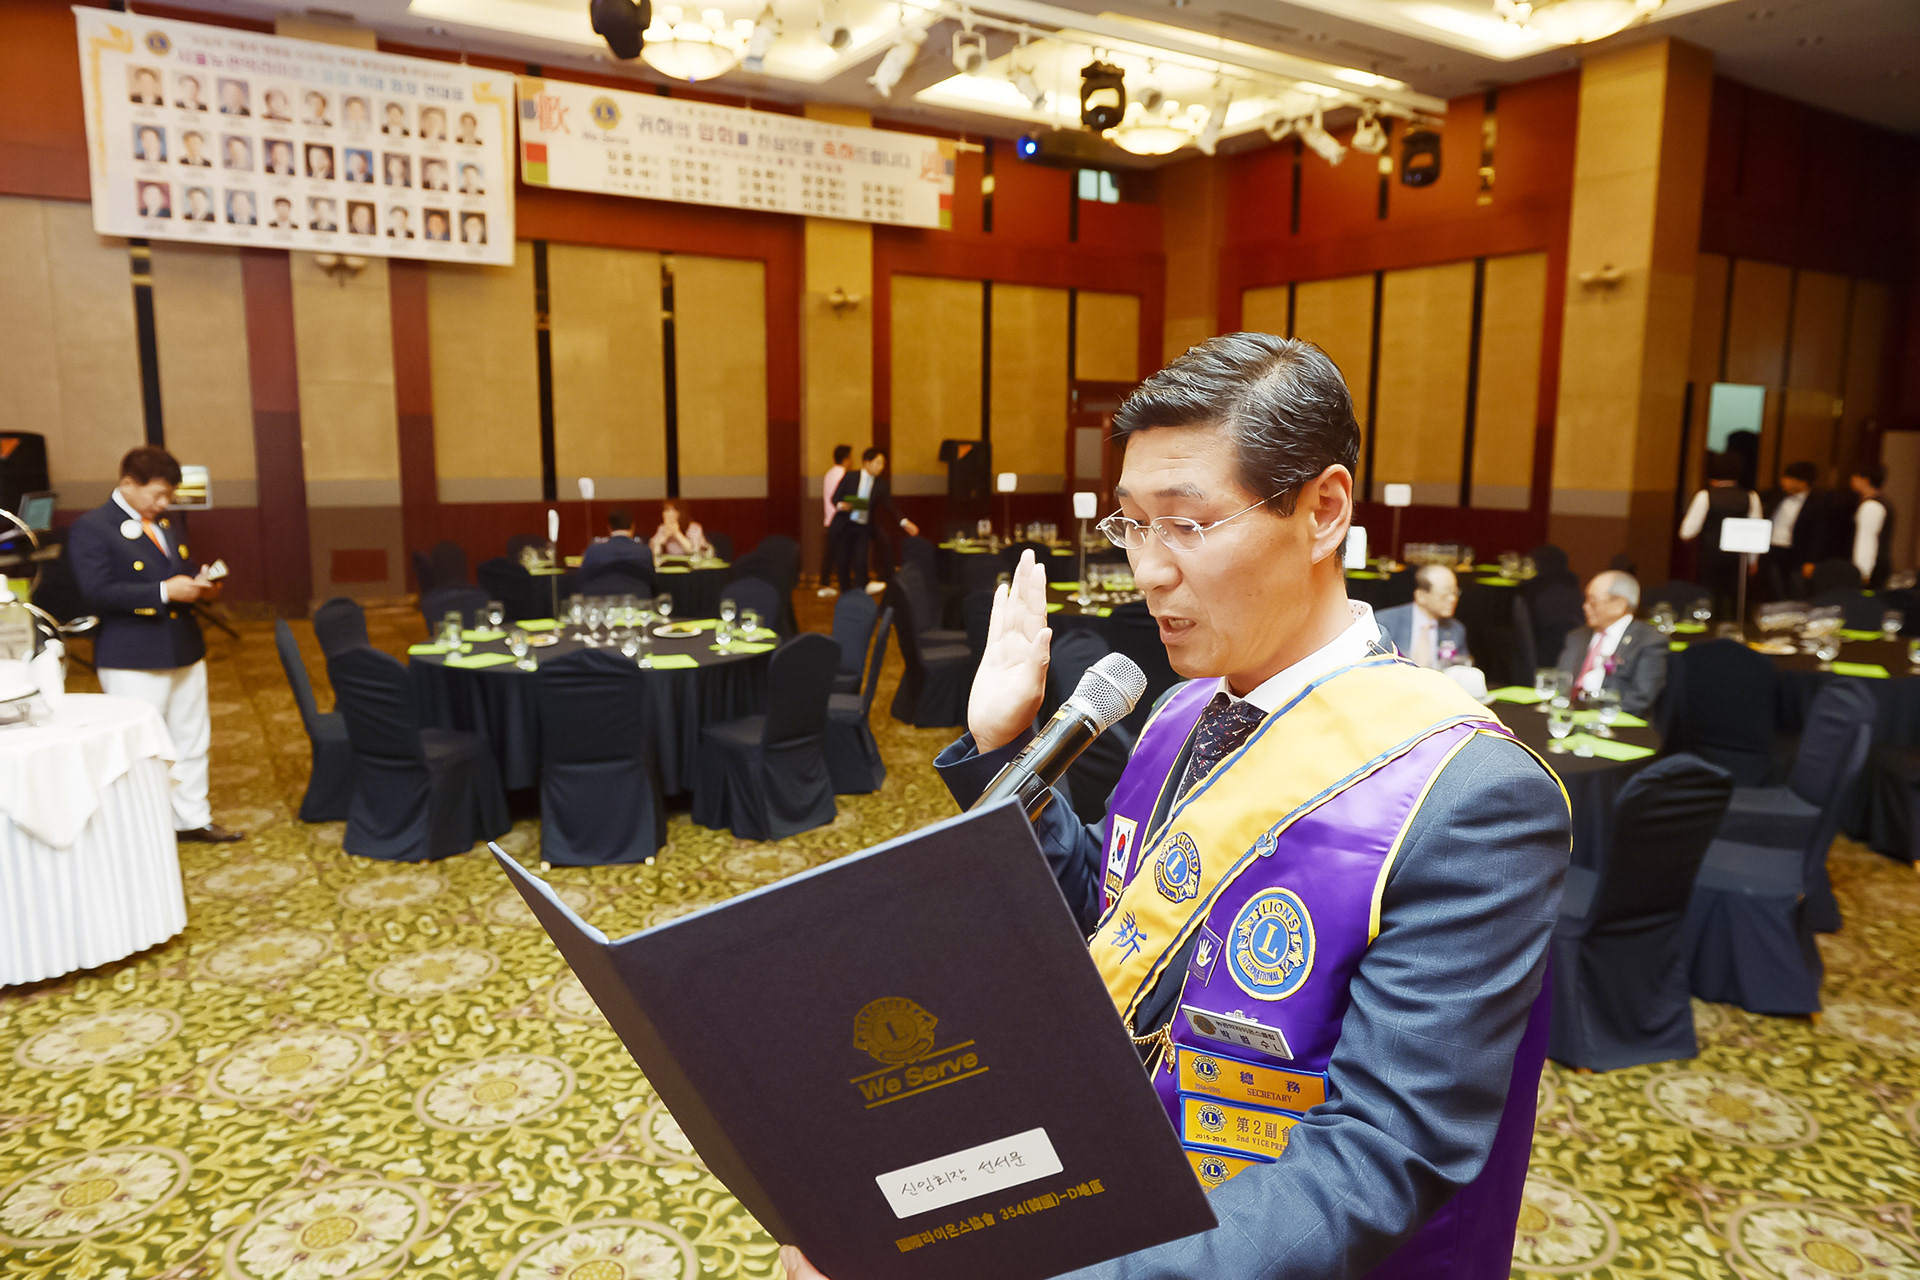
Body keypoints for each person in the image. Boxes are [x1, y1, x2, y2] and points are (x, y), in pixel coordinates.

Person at [782, 334, 1569, 1280]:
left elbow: (1373, 1161)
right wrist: (1004, 748)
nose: (1147, 569)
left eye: (1187, 524)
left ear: (1323, 511)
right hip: (1108, 1167)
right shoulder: (1181, 711)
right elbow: (1113, 921)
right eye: (1134, 525)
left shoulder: (1470, 797)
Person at [67, 446, 243, 843]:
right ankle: (146, 828)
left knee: (191, 738)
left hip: (182, 645)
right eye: (158, 494)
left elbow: (178, 569)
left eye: (169, 495)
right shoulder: (93, 527)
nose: (164, 504)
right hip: (133, 654)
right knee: (141, 747)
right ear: (128, 483)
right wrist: (164, 591)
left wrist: (200, 585)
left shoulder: (162, 523)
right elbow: (96, 592)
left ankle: (191, 817)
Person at [1556, 570, 1665, 715]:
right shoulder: (1577, 636)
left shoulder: (1649, 641)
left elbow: (1640, 698)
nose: (1585, 606)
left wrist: (1594, 716)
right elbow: (1561, 682)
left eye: (1592, 601)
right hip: (1566, 714)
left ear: (1619, 604)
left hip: (1613, 719)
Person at [1678, 450, 1760, 614]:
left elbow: (1687, 533)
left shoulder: (1705, 496)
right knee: (1736, 604)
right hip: (1738, 559)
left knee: (1709, 602)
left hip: (1711, 557)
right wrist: (1753, 560)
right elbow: (1756, 531)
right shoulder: (1751, 497)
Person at [829, 447, 918, 594]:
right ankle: (846, 595)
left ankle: (860, 594)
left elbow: (890, 506)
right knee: (843, 563)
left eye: (883, 463)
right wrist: (842, 506)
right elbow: (834, 498)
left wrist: (905, 522)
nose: (881, 467)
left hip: (862, 528)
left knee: (860, 562)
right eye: (878, 463)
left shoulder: (881, 484)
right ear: (866, 462)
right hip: (844, 525)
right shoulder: (850, 477)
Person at [1375, 564, 1469, 669]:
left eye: (1455, 592)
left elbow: (1461, 666)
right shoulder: (1385, 622)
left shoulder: (1455, 629)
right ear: (1421, 596)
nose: (1452, 599)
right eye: (1445, 593)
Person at [1764, 460, 1826, 597]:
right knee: (1774, 590)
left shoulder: (1816, 503)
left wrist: (1811, 560)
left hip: (1797, 554)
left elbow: (1818, 535)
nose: (1783, 481)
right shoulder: (1775, 496)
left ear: (1802, 482)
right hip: (1773, 550)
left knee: (1796, 591)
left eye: (1789, 478)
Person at [1850, 463, 1895, 588]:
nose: (1852, 479)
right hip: (1877, 565)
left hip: (1871, 569)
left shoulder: (1872, 506)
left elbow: (1867, 540)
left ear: (1865, 480)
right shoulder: (1877, 502)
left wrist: (1863, 572)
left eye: (1855, 476)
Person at [816, 444, 852, 597]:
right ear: (845, 459)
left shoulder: (829, 474)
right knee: (844, 555)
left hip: (829, 519)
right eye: (850, 458)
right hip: (840, 520)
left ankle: (824, 584)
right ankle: (846, 587)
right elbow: (844, 499)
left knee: (829, 555)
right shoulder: (844, 475)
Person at [582, 509, 655, 576]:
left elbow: (583, 579)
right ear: (633, 527)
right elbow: (652, 580)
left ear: (609, 527)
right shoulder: (644, 552)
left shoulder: (592, 552)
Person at [648, 501, 712, 559]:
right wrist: (665, 536)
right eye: (665, 510)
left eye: (670, 510)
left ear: (680, 513)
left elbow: (693, 551)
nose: (666, 514)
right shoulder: (662, 528)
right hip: (671, 563)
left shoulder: (694, 527)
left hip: (695, 562)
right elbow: (651, 549)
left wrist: (677, 533)